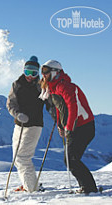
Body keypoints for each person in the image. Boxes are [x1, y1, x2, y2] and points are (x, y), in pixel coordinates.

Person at [39, 60, 97, 194]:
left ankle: (89, 188)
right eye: (42, 72)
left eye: (46, 71)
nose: (43, 75)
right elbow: (61, 109)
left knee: (71, 159)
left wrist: (69, 127)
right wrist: (61, 125)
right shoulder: (54, 87)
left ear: (55, 72)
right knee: (71, 159)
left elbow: (73, 107)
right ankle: (87, 187)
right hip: (76, 127)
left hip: (84, 127)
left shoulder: (65, 86)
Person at [6, 56, 45, 192]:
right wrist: (17, 114)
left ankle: (31, 188)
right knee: (16, 157)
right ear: (23, 71)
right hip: (19, 124)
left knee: (22, 157)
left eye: (33, 73)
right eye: (27, 72)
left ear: (37, 73)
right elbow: (10, 103)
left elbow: (51, 102)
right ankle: (29, 183)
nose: (30, 76)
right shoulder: (17, 84)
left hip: (34, 125)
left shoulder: (41, 85)